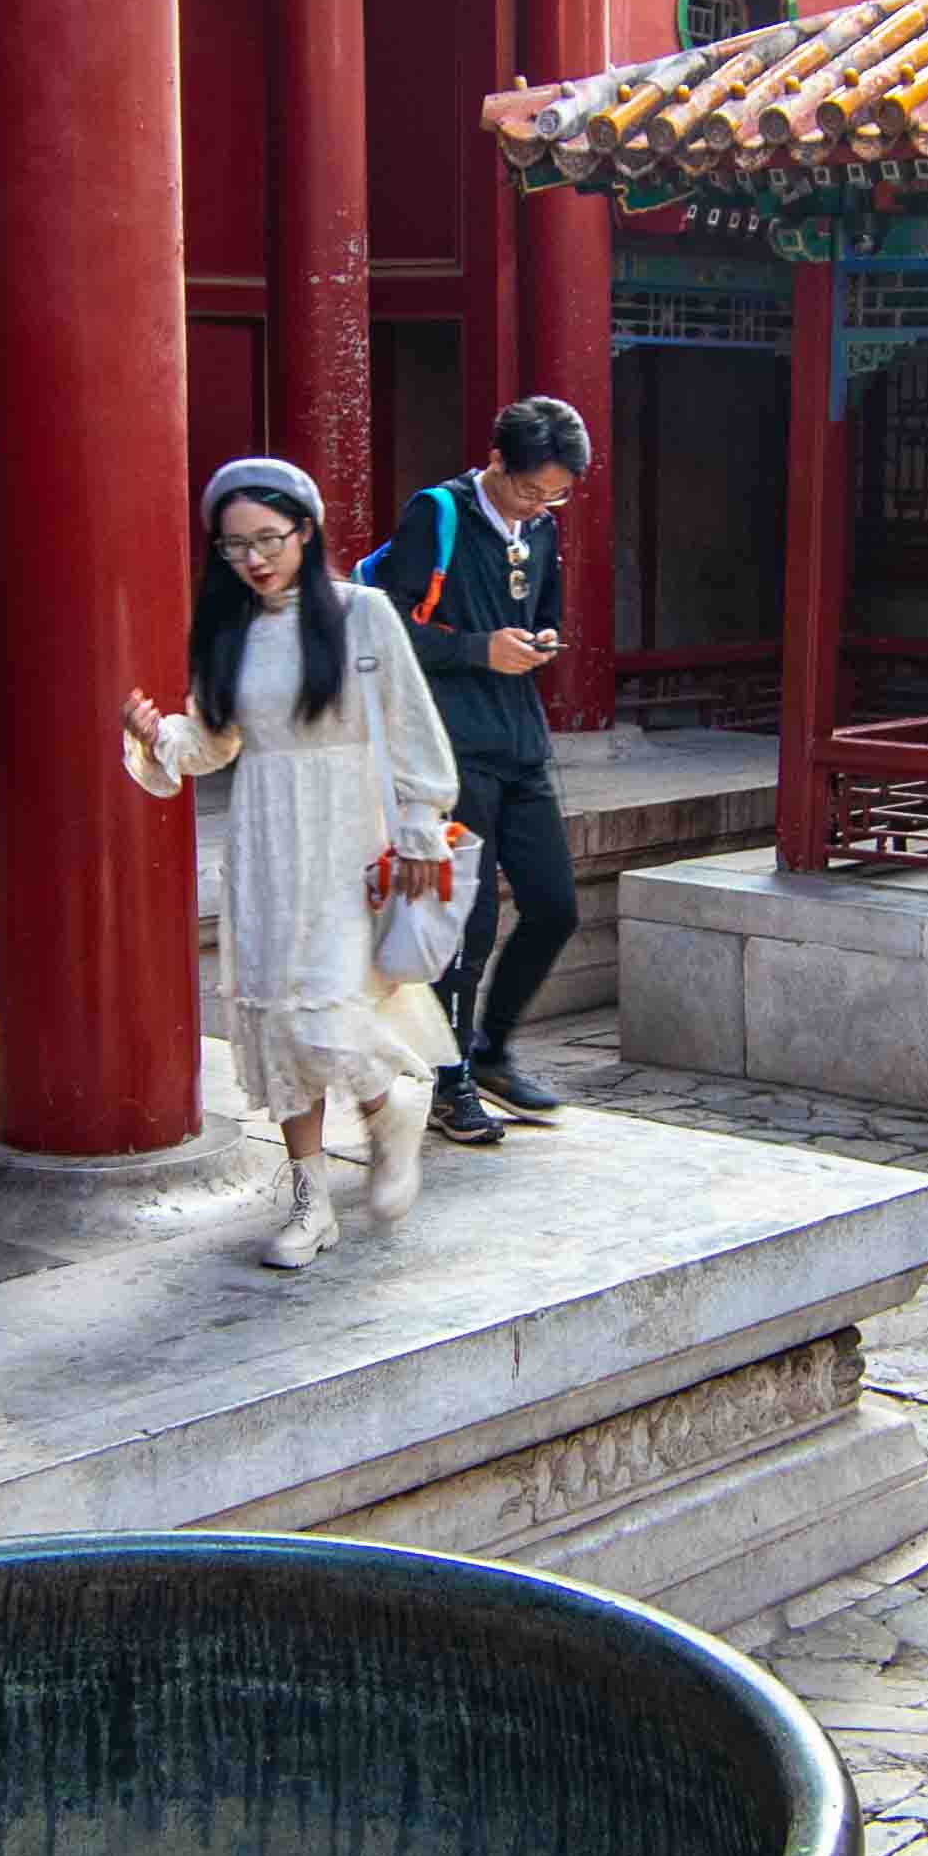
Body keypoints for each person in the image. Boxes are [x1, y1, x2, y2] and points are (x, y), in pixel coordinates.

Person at [121, 454, 461, 1270]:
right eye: (235, 546)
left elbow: (410, 724)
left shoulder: (362, 614)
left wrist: (421, 828)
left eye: (269, 538)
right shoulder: (229, 629)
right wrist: (157, 735)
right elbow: (214, 744)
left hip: (348, 834)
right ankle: (312, 1202)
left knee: (322, 1009)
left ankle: (392, 1105)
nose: (255, 558)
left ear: (305, 531)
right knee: (274, 1019)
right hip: (264, 839)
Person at [371, 395, 589, 1148]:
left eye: (556, 493)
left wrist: (542, 639)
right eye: (530, 488)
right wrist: (476, 650)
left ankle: (491, 1049)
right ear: (496, 461)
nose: (541, 504)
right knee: (470, 919)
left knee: (556, 907)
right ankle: (448, 1079)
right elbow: (383, 624)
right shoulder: (437, 514)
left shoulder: (543, 528)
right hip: (448, 745)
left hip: (520, 741)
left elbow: (544, 610)